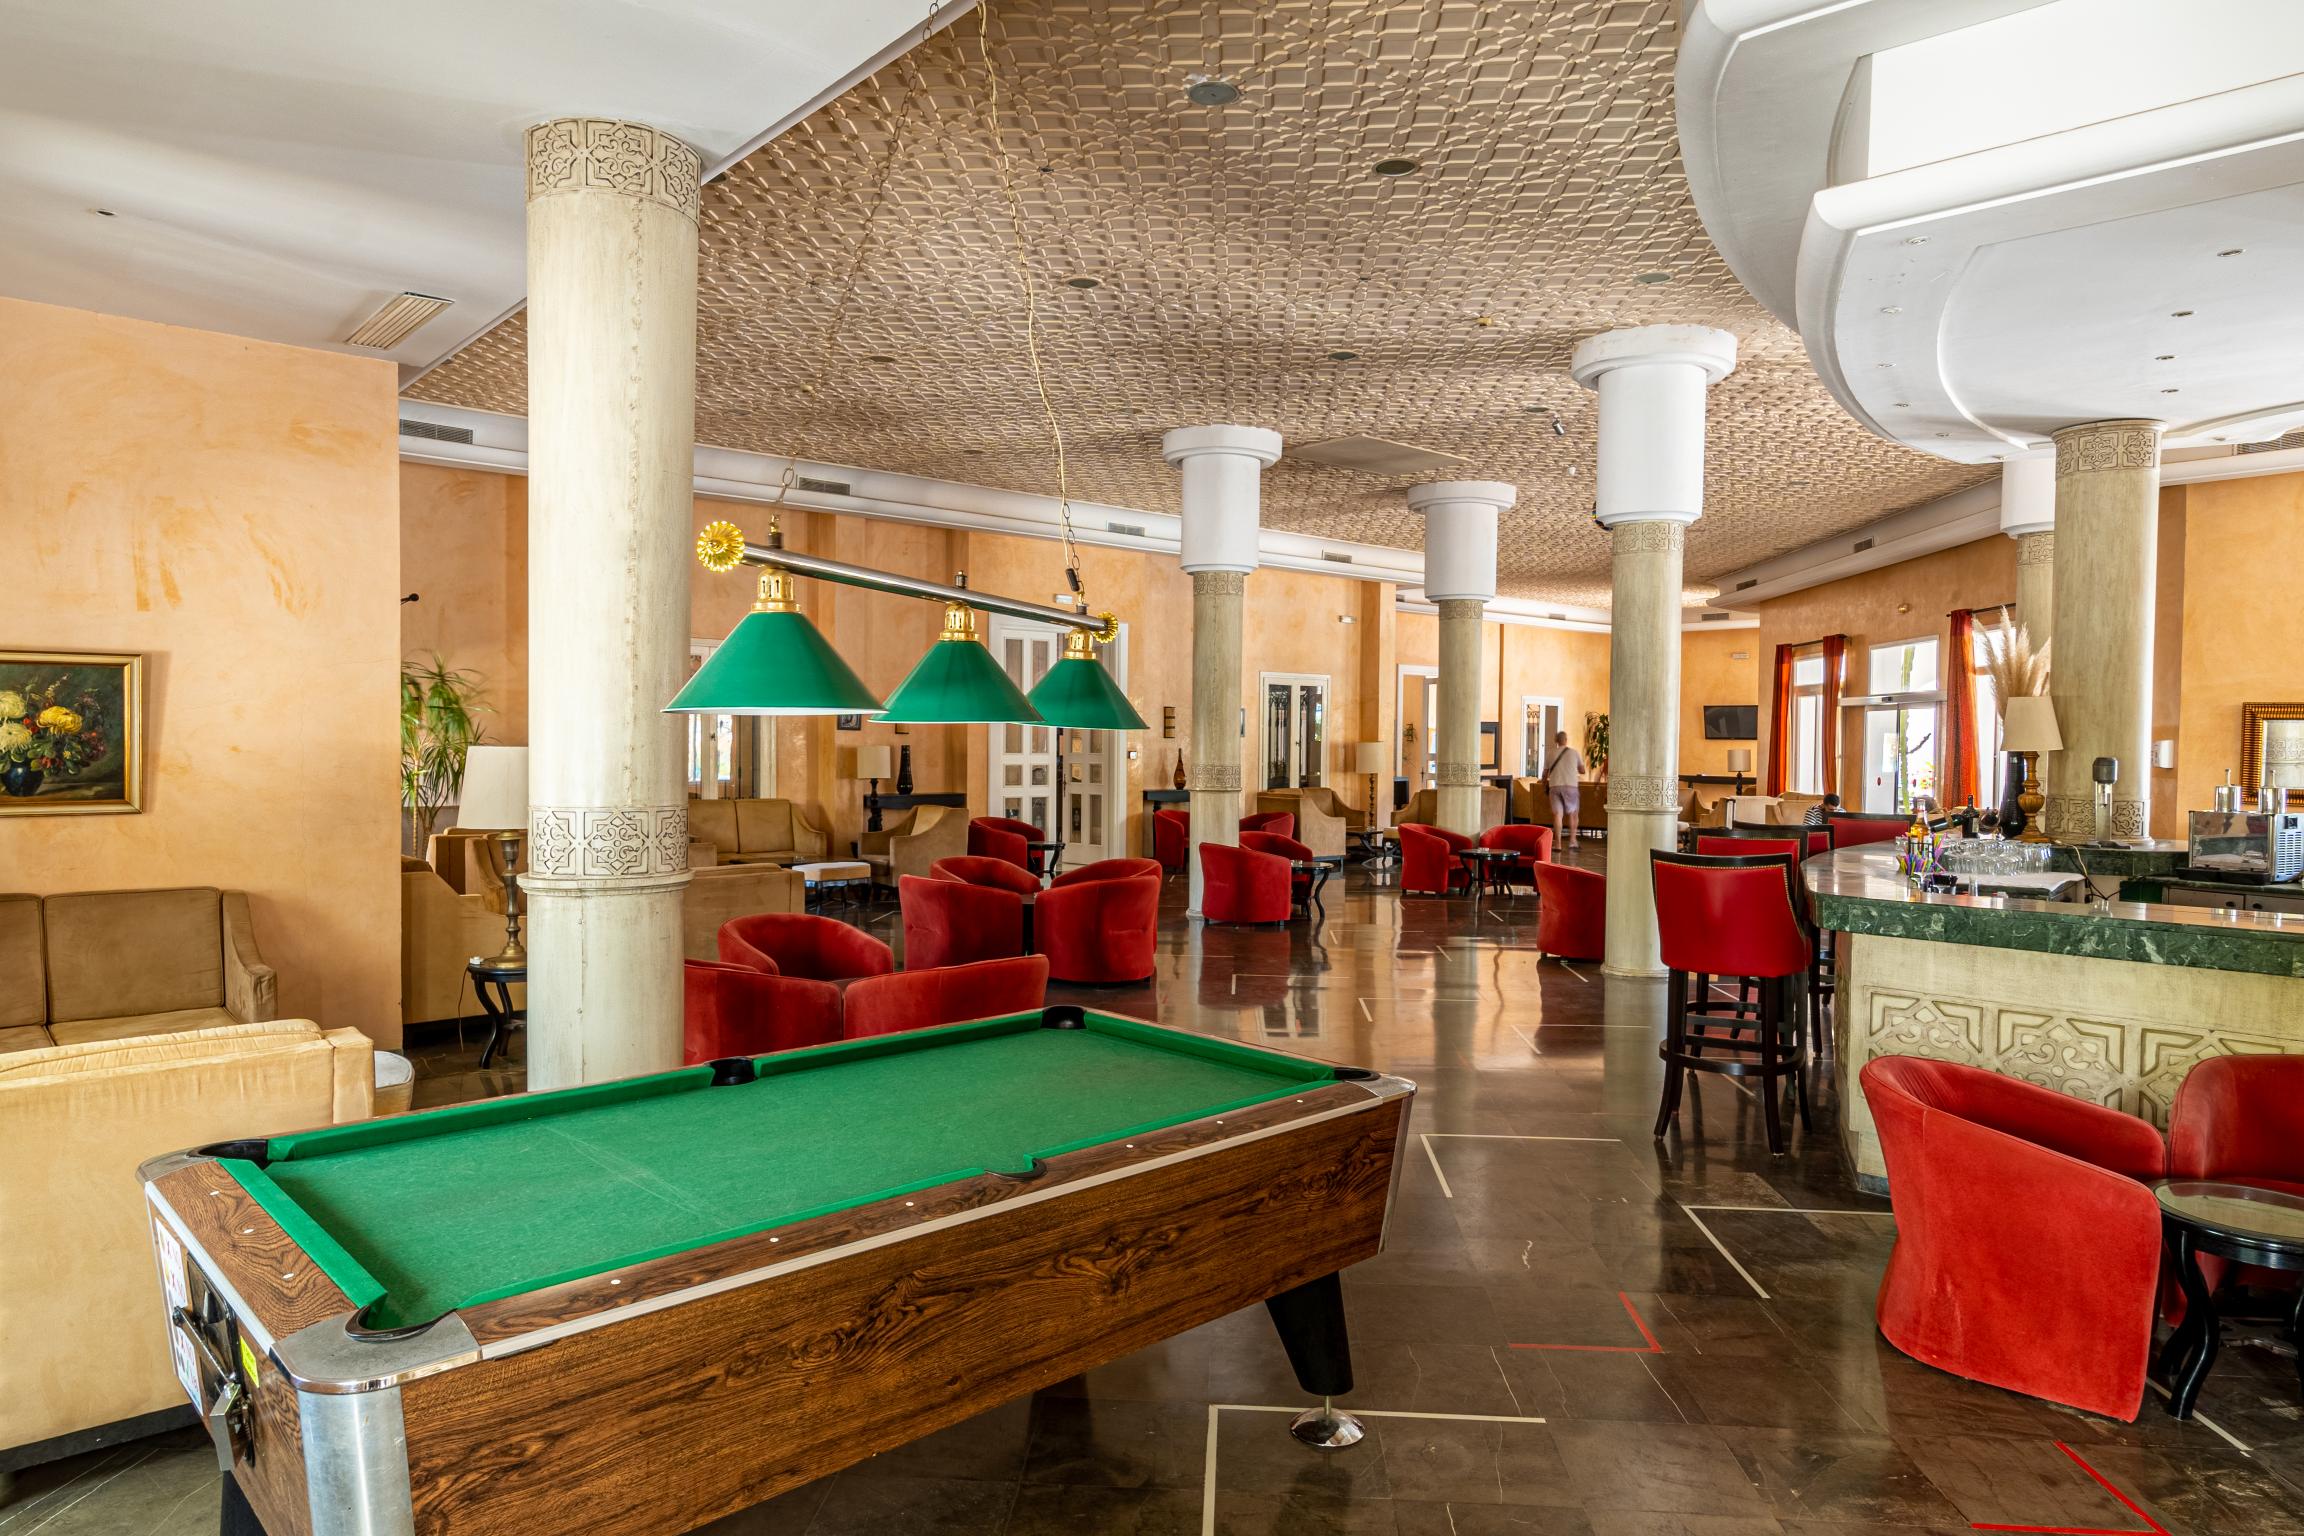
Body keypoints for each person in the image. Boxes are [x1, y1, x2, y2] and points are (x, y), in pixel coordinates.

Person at [1542, 731, 1586, 854]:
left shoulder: (1550, 753)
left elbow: (1545, 774)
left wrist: (1544, 786)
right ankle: (1572, 841)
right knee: (1573, 814)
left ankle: (1558, 844)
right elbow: (1582, 770)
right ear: (1566, 740)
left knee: (1557, 815)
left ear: (1556, 741)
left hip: (1555, 786)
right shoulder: (1574, 752)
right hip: (1570, 786)